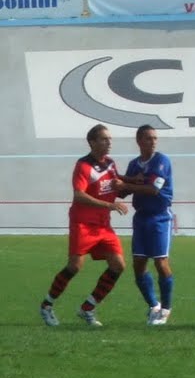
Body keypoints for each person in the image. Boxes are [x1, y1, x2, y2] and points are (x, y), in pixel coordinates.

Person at [40, 124, 128, 327]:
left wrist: (132, 184)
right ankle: (46, 306)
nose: (109, 143)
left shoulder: (110, 163)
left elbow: (116, 184)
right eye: (104, 139)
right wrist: (110, 204)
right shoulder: (83, 166)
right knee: (75, 266)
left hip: (103, 225)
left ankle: (87, 308)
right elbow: (79, 195)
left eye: (110, 139)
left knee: (118, 265)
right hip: (83, 224)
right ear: (92, 142)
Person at [121, 124, 175, 325]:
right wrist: (112, 182)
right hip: (141, 218)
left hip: (159, 217)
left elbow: (153, 189)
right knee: (138, 264)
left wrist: (126, 184)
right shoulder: (135, 164)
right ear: (139, 141)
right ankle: (154, 306)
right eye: (148, 138)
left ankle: (166, 309)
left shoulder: (161, 161)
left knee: (161, 263)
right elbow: (123, 191)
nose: (153, 141)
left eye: (154, 138)